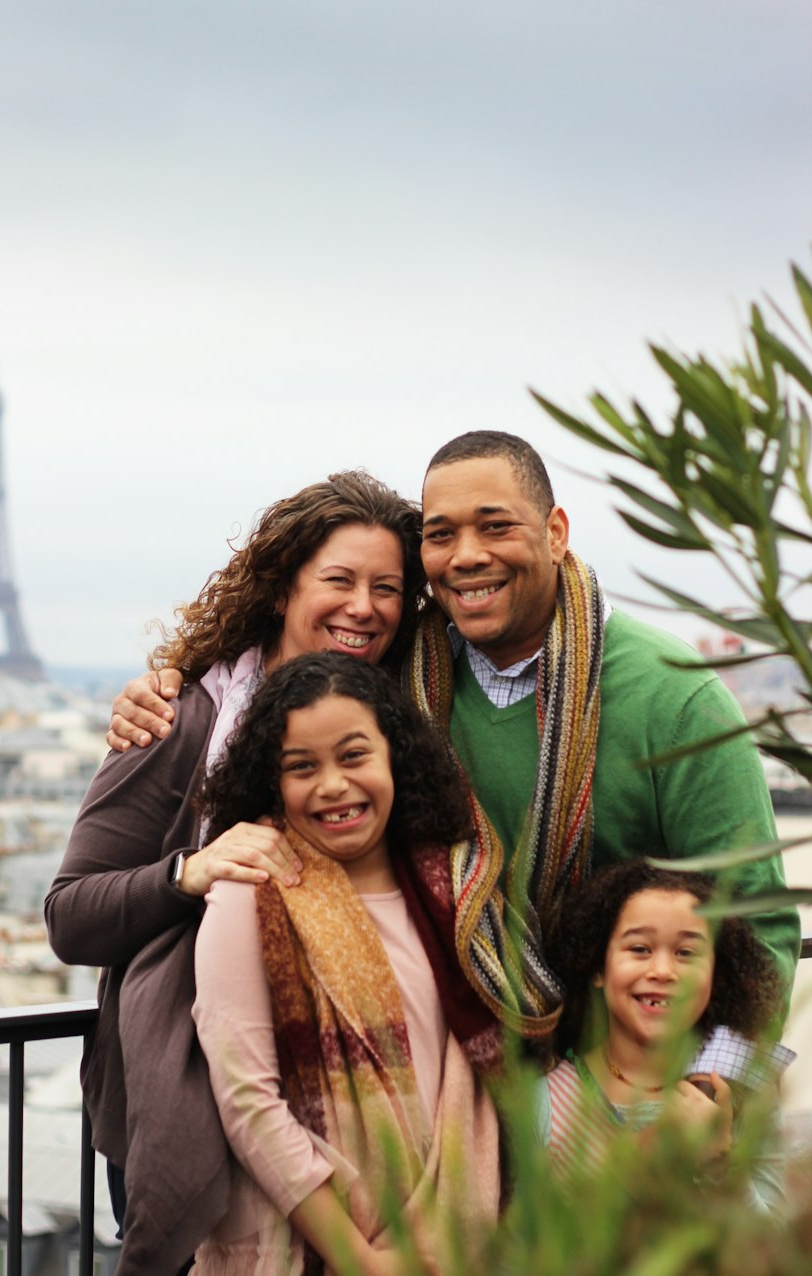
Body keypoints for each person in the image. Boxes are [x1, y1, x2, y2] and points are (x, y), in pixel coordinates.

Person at [108, 431, 799, 1019]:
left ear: (555, 533)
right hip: (455, 1082)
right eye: (441, 535)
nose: (466, 555)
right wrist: (172, 680)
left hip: (628, 1093)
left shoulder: (675, 696)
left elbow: (757, 927)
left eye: (495, 525)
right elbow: (292, 671)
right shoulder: (399, 677)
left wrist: (715, 1089)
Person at [44, 471, 429, 1275]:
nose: (364, 606)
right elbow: (71, 915)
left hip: (352, 1112)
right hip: (197, 1102)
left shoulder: (402, 721)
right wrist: (190, 870)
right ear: (283, 585)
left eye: (388, 588)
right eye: (340, 580)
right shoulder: (183, 718)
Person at [191, 652, 502, 1276]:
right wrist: (359, 1260)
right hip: (309, 1251)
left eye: (354, 756)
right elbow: (249, 1101)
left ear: (396, 756)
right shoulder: (252, 893)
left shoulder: (459, 889)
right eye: (301, 767)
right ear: (271, 783)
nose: (332, 785)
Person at [539, 859, 790, 1213]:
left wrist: (719, 1166)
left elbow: (777, 1256)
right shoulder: (545, 1101)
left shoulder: (745, 1094)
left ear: (715, 976)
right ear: (598, 966)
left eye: (686, 953)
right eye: (639, 948)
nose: (662, 971)